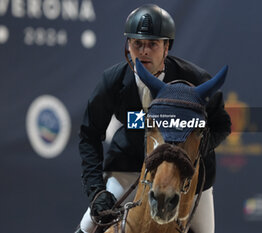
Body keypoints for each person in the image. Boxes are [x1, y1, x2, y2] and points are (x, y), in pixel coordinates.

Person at [76, 4, 231, 233]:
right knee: (89, 226)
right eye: (137, 43)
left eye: (153, 44)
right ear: (128, 45)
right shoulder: (113, 81)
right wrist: (96, 191)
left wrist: (195, 148)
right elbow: (89, 136)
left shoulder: (195, 80)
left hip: (185, 175)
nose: (144, 51)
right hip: (129, 168)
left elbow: (222, 124)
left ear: (166, 47)